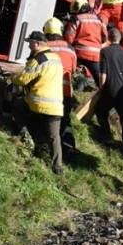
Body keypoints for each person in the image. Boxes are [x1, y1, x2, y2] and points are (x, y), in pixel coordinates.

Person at [12, 31, 66, 174]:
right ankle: (57, 167)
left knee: (17, 105)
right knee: (54, 137)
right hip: (56, 106)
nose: (29, 46)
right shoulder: (57, 58)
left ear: (37, 43)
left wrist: (12, 78)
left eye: (30, 43)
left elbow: (23, 79)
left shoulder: (38, 60)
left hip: (38, 103)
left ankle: (23, 136)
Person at [96, 27, 123, 155]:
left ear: (108, 37)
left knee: (101, 112)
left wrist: (101, 89)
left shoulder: (105, 51)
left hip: (110, 89)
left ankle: (108, 136)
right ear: (119, 39)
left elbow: (103, 74)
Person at [44, 17, 78, 152]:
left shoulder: (45, 46)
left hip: (49, 91)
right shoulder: (70, 48)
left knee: (47, 120)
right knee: (65, 120)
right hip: (66, 93)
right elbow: (74, 69)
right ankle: (69, 147)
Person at [65, 0, 107, 86]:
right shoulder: (99, 20)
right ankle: (105, 94)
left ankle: (77, 81)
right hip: (95, 55)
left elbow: (69, 38)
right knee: (100, 81)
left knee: (69, 70)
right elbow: (105, 37)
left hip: (79, 53)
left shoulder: (76, 19)